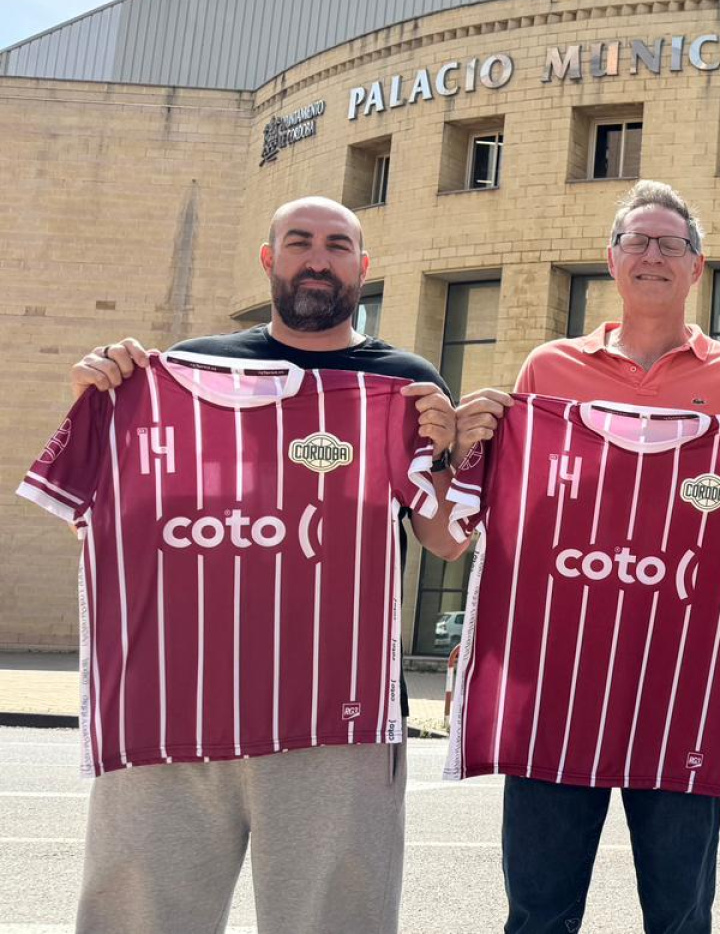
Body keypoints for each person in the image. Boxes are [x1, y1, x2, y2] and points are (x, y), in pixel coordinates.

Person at [61, 196, 464, 934]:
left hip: (335, 710)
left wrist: (445, 455)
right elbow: (123, 523)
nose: (319, 258)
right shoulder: (181, 371)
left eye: (338, 245)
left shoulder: (401, 382)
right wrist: (102, 400)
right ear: (268, 259)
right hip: (171, 702)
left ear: (363, 267)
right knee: (139, 919)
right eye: (300, 242)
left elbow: (446, 542)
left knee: (334, 921)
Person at [451, 179, 720, 934]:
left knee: (680, 917)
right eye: (638, 242)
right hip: (560, 684)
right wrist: (476, 444)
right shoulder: (546, 368)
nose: (653, 255)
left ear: (696, 268)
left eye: (671, 244)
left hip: (682, 691)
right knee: (538, 913)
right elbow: (520, 520)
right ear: (612, 262)